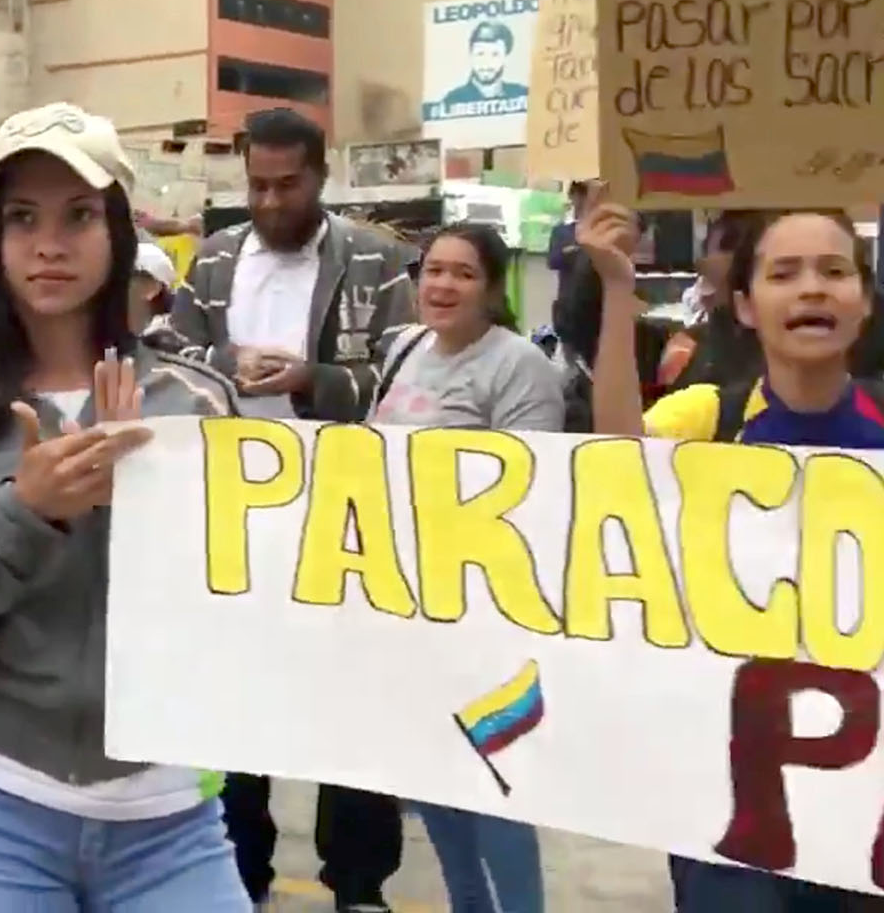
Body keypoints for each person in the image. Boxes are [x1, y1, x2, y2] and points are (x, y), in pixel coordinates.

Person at [0, 102, 250, 910]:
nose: (50, 244)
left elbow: (252, 610)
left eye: (79, 215)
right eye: (22, 218)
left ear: (118, 234)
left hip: (170, 822)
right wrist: (26, 515)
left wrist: (151, 508)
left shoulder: (198, 405)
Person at [580, 196, 883, 912]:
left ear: (863, 302)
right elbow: (617, 469)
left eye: (834, 270)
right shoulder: (709, 415)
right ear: (745, 306)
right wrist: (618, 288)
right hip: (728, 796)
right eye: (785, 273)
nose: (812, 287)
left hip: (866, 791)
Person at [169, 106, 415, 912]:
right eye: (257, 185)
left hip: (345, 510)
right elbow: (166, 358)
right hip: (236, 511)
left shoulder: (378, 260)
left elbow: (408, 379)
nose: (271, 202)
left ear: (321, 176)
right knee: (239, 706)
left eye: (288, 184)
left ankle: (359, 884)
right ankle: (242, 876)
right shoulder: (211, 263)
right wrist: (225, 364)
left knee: (352, 701)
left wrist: (312, 381)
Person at [368, 223, 558, 913]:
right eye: (433, 270)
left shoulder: (517, 365)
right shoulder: (405, 346)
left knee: (493, 777)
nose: (442, 286)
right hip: (404, 600)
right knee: (429, 776)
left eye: (463, 274)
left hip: (482, 607)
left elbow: (537, 486)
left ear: (492, 287)